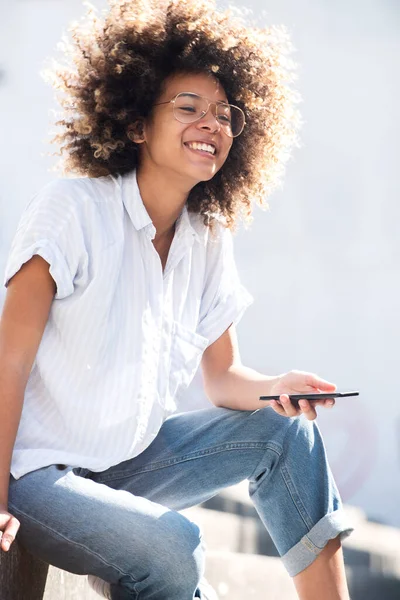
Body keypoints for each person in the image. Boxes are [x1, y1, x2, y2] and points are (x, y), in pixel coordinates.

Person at [0, 1, 353, 598]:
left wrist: (279, 386)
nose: (210, 125)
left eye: (224, 114)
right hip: (38, 476)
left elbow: (224, 379)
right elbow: (7, 362)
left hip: (128, 467)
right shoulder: (72, 210)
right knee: (176, 547)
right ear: (137, 123)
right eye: (188, 108)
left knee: (289, 432)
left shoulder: (208, 237)